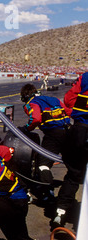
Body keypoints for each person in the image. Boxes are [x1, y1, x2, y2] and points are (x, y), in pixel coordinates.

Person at [19, 83, 71, 203]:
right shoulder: (55, 99)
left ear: (25, 96)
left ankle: (49, 193)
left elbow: (35, 118)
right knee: (73, 167)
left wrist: (27, 129)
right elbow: (69, 111)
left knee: (42, 165)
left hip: (53, 136)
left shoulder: (32, 103)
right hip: (69, 132)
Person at [52, 72, 88, 229]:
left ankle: (60, 212)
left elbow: (68, 99)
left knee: (73, 175)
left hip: (79, 130)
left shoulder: (86, 77)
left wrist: (78, 114)